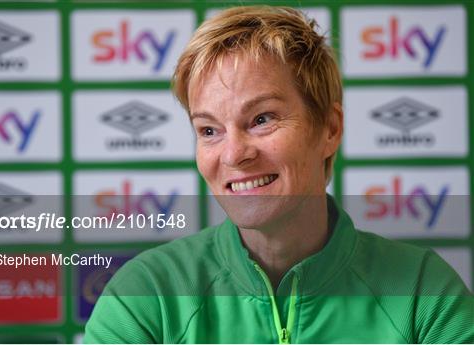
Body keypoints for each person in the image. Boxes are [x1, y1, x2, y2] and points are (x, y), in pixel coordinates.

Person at [85, 5, 473, 343]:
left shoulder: (424, 293)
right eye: (209, 130)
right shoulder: (144, 296)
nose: (234, 154)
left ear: (329, 129)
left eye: (262, 119)